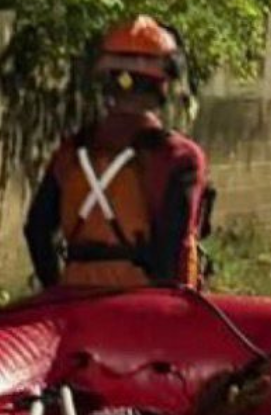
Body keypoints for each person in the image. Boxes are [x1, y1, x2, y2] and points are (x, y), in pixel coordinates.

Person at [24, 16, 212, 290]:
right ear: (165, 84)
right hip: (143, 307)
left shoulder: (73, 150)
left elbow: (37, 230)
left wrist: (54, 290)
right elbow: (175, 246)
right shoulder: (179, 157)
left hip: (73, 302)